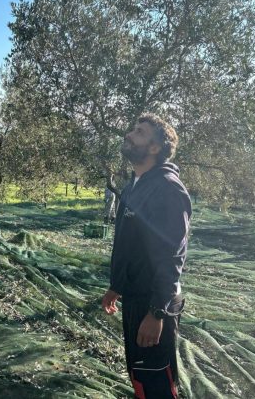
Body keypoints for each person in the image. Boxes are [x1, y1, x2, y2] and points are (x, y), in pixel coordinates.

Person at [102, 113, 191, 399]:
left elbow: (173, 256)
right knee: (139, 375)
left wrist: (157, 313)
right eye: (132, 129)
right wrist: (117, 285)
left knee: (156, 382)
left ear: (154, 147)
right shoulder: (133, 186)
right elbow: (128, 246)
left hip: (154, 302)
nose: (129, 134)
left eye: (139, 132)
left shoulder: (167, 188)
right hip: (135, 296)